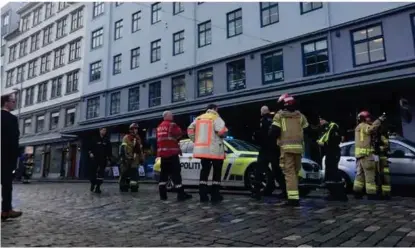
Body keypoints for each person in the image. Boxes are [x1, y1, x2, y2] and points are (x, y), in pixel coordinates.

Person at [269, 93, 308, 207]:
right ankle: (294, 196)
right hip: (299, 149)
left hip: (286, 149)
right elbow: (308, 131)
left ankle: (293, 199)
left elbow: (273, 132)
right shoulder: (301, 116)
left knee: (289, 173)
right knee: (295, 173)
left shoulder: (279, 116)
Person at [187, 104, 228, 203]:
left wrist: (196, 141)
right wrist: (225, 132)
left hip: (202, 150)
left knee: (204, 172)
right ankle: (215, 195)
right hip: (215, 150)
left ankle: (203, 195)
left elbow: (189, 130)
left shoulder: (198, 118)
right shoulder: (216, 118)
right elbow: (221, 132)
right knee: (217, 172)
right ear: (214, 109)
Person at [251, 106, 286, 200]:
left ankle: (256, 192)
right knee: (277, 170)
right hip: (275, 149)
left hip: (265, 149)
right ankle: (285, 191)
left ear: (262, 112)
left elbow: (259, 134)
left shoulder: (262, 121)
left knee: (259, 170)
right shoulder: (274, 120)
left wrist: (255, 137)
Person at [157, 111, 192, 201]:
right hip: (172, 154)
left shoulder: (159, 127)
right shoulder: (172, 125)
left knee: (163, 175)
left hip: (163, 155)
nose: (173, 116)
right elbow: (179, 133)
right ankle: (181, 194)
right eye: (171, 115)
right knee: (176, 174)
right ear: (167, 116)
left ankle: (162, 195)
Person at [353, 111, 386, 200]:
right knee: (370, 175)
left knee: (359, 176)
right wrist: (379, 120)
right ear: (363, 118)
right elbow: (371, 129)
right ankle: (371, 195)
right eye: (367, 117)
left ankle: (357, 193)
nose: (369, 119)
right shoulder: (364, 126)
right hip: (367, 156)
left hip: (360, 156)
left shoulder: (358, 127)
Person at [1, 94, 23, 221]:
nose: (15, 103)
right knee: (7, 184)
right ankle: (6, 210)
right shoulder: (11, 118)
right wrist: (16, 154)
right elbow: (14, 138)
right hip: (7, 155)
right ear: (6, 103)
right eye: (13, 101)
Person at [317, 116, 348, 201]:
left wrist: (323, 144)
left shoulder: (332, 127)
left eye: (321, 119)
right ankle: (334, 194)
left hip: (333, 152)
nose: (320, 122)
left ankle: (338, 195)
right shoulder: (329, 127)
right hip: (330, 152)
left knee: (333, 172)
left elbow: (332, 141)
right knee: (330, 172)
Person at [119, 123, 143, 192]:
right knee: (124, 173)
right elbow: (123, 148)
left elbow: (140, 149)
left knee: (134, 174)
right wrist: (124, 158)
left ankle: (134, 187)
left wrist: (141, 158)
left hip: (135, 160)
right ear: (131, 130)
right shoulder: (126, 138)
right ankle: (123, 186)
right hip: (127, 159)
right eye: (135, 129)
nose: (136, 130)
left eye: (137, 129)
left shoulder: (138, 138)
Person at [88, 127, 112, 194]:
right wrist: (90, 153)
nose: (104, 131)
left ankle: (98, 187)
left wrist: (109, 159)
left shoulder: (106, 140)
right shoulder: (94, 138)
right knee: (93, 173)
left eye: (105, 130)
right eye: (103, 130)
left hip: (103, 159)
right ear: (100, 130)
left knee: (101, 174)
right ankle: (93, 183)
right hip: (95, 159)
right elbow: (90, 147)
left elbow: (109, 150)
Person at [373, 122, 391, 200]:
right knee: (376, 177)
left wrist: (379, 149)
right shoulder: (374, 136)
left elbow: (387, 146)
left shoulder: (382, 136)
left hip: (382, 159)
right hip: (376, 159)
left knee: (384, 177)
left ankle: (386, 194)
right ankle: (378, 193)